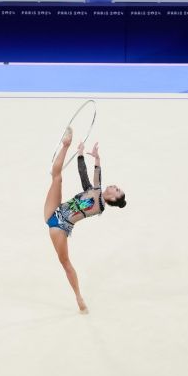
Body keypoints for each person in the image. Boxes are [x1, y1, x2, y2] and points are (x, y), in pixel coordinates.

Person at [46, 130, 126, 313]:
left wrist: (85, 156)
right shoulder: (96, 192)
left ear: (113, 199)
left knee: (65, 263)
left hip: (60, 226)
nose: (115, 187)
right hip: (54, 211)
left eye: (117, 190)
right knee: (56, 176)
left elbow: (89, 181)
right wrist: (93, 157)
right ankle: (66, 144)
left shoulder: (98, 204)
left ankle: (78, 297)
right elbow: (92, 177)